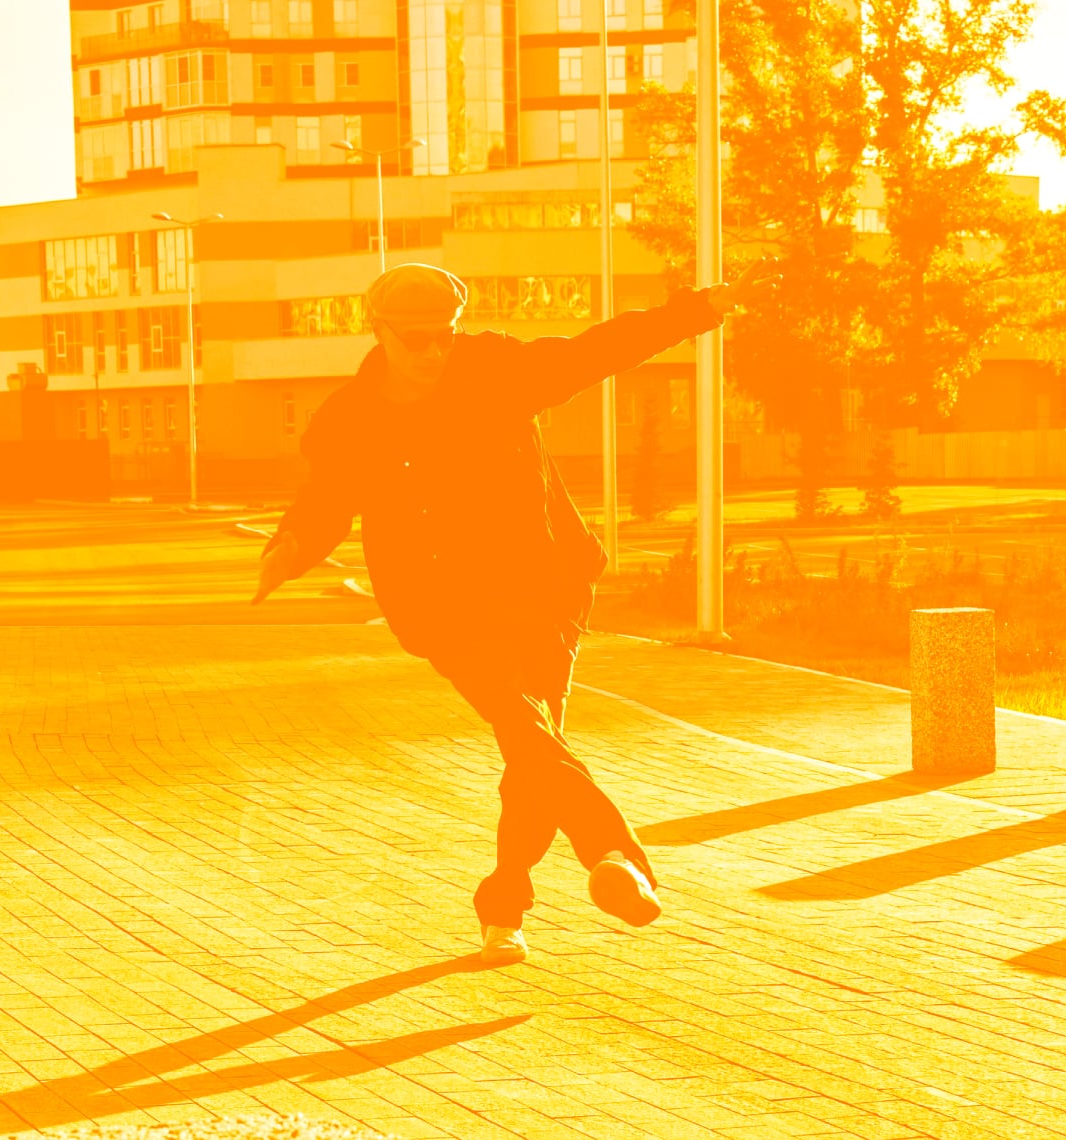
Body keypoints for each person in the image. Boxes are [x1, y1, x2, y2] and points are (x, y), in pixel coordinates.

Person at [255, 262, 732, 964]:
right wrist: (291, 545)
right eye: (417, 340)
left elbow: (591, 353)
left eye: (445, 337)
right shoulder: (350, 419)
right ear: (379, 331)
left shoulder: (496, 370)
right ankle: (614, 856)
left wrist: (687, 315)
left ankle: (504, 904)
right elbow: (330, 496)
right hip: (444, 606)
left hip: (542, 587)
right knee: (521, 724)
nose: (434, 354)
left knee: (532, 753)